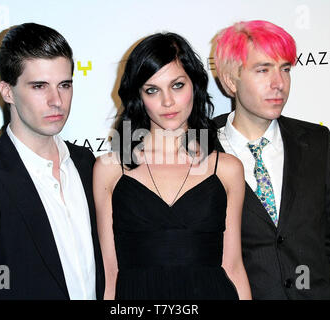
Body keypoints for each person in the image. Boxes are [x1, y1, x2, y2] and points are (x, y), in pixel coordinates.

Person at [213, 20, 330, 299]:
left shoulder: (317, 142)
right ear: (229, 81)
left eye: (285, 69)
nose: (279, 83)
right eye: (263, 70)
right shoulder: (199, 150)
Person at [0, 23, 104, 300]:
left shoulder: (86, 163)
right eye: (39, 86)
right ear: (7, 92)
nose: (57, 100)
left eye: (64, 85)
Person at [93, 32, 251, 300]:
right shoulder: (110, 170)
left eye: (177, 85)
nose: (167, 102)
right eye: (152, 90)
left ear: (195, 85)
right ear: (138, 96)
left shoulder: (226, 169)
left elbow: (233, 267)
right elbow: (111, 275)